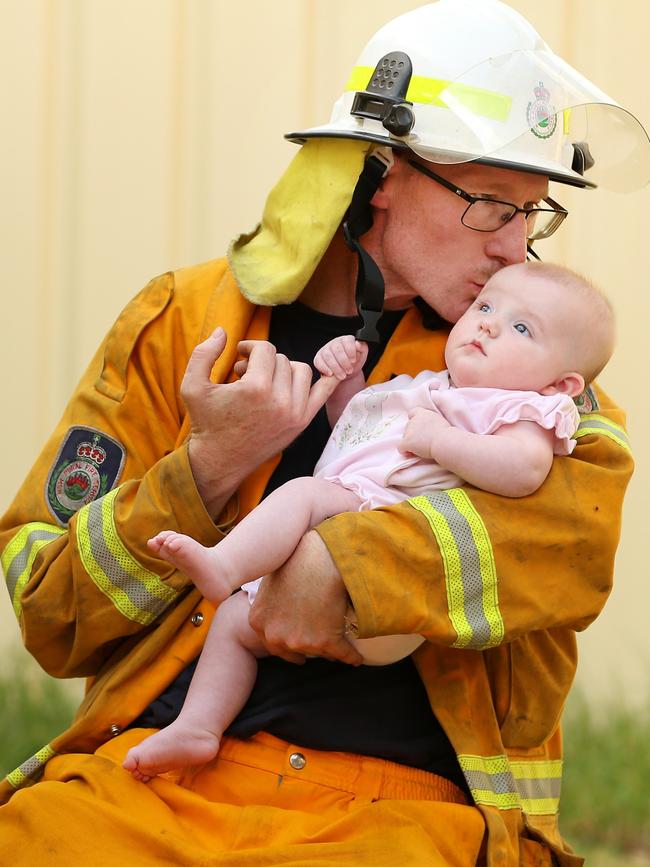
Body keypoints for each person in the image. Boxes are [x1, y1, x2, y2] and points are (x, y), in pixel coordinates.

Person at [0, 1, 647, 865]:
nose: (517, 253)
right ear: (377, 176)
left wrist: (342, 564)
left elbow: (573, 543)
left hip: (401, 813)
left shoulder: (527, 369)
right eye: (495, 205)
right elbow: (51, 616)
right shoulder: (183, 324)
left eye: (535, 214)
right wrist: (206, 467)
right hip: (148, 783)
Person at [122, 261, 615, 782]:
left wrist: (438, 442)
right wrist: (348, 385)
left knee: (304, 494)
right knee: (235, 626)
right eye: (485, 307)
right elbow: (356, 437)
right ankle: (198, 727)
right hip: (348, 542)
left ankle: (221, 568)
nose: (488, 324)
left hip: (390, 594)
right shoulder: (426, 388)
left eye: (522, 328)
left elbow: (523, 470)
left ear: (561, 383)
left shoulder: (520, 410)